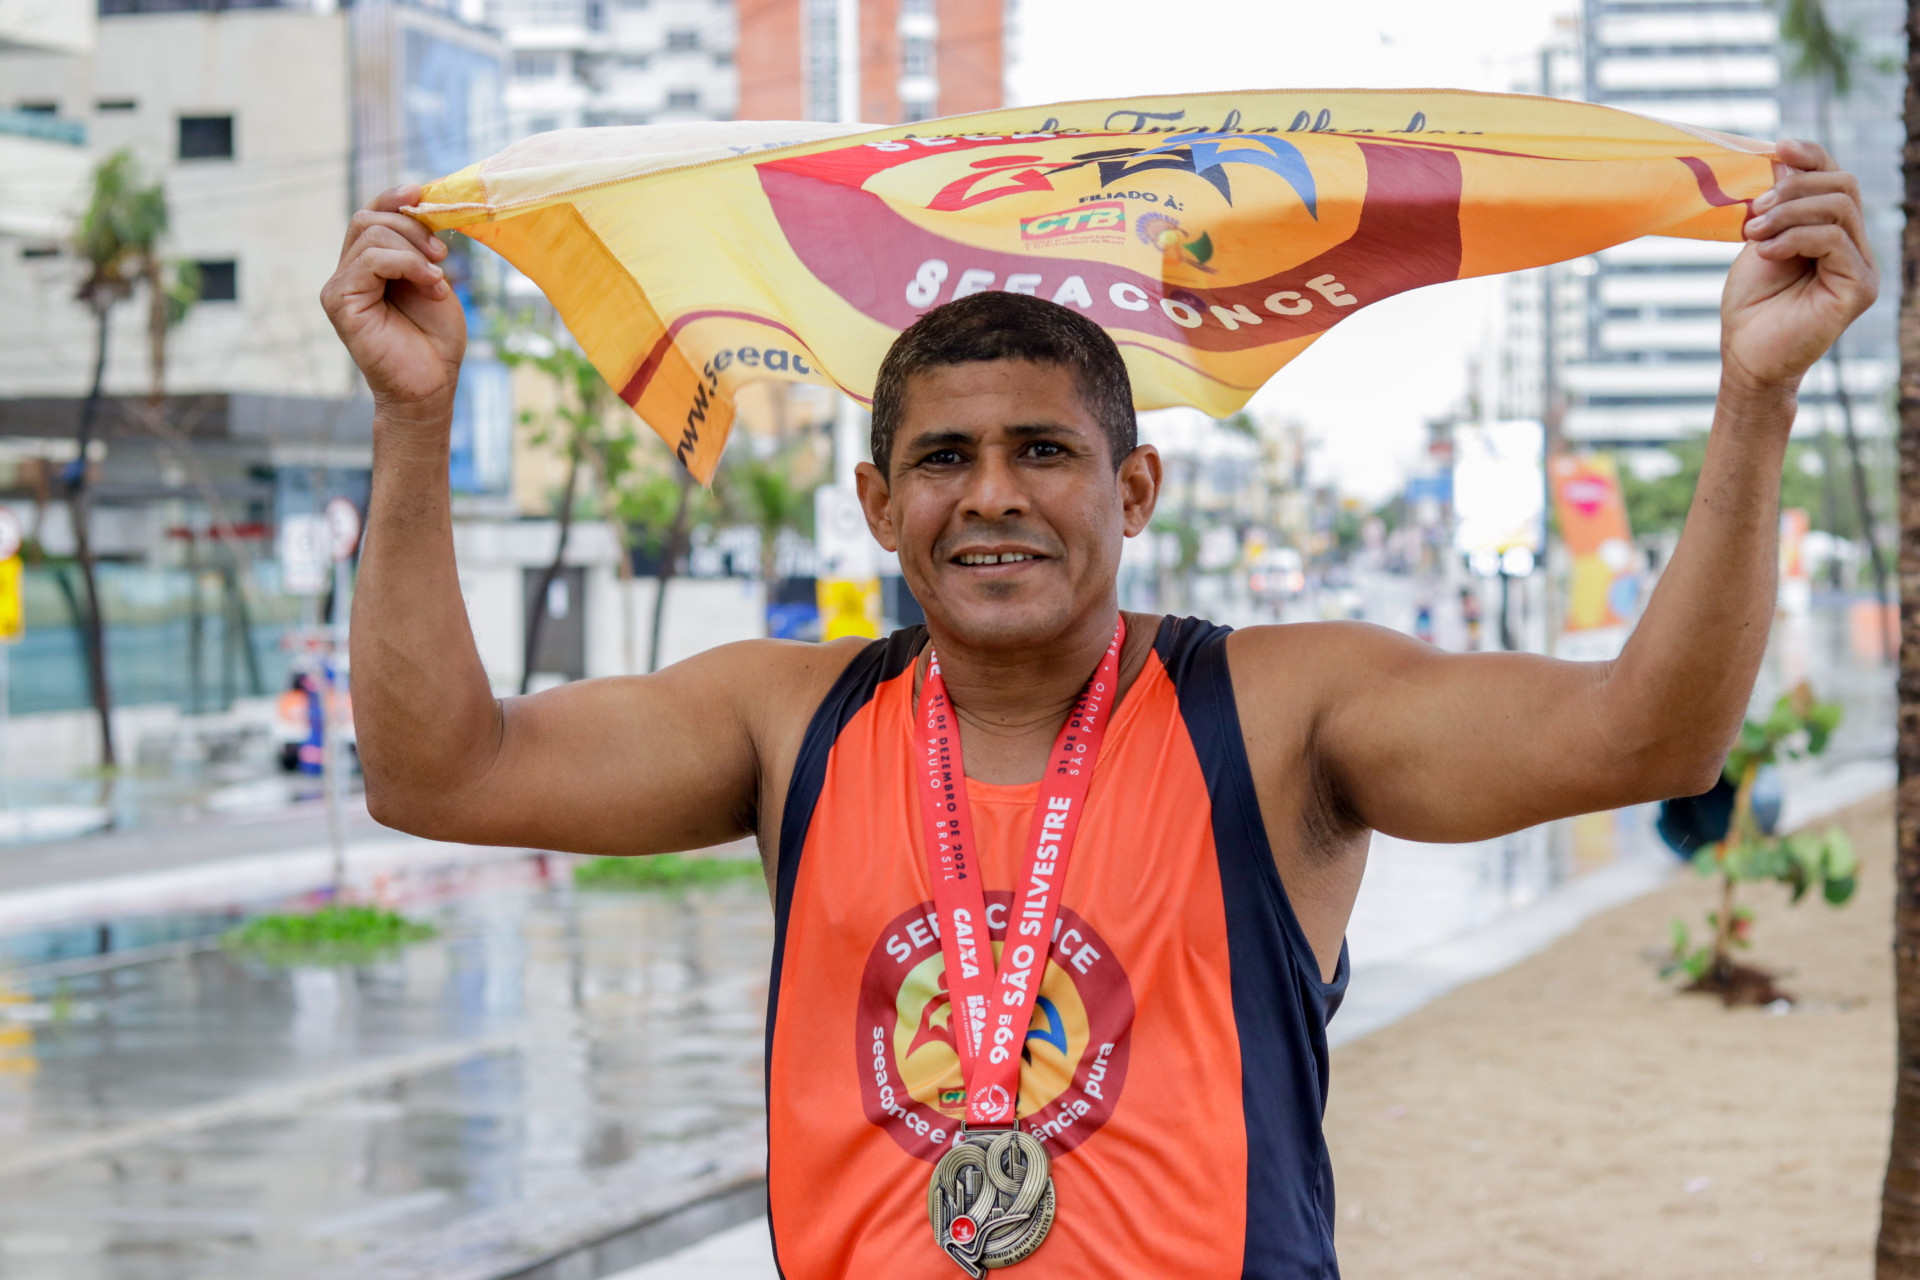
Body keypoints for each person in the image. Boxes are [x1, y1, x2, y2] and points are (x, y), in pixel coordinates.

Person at [321, 139, 1874, 1279]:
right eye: (944, 458)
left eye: (1044, 452)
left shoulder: (1278, 712)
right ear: (878, 504)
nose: (992, 496)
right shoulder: (787, 721)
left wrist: (1756, 398)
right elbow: (438, 775)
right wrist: (414, 416)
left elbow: (1647, 738)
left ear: (1133, 488)